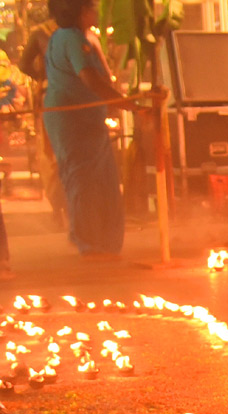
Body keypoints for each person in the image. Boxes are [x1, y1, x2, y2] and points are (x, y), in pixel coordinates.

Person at [43, 0, 131, 258]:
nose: (97, 12)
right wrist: (126, 104)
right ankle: (89, 242)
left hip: (89, 119)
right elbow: (90, 78)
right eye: (93, 7)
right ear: (82, 11)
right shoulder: (70, 39)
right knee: (83, 181)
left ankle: (105, 241)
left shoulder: (76, 37)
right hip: (73, 121)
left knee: (105, 181)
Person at [17, 7, 66, 225]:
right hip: (56, 98)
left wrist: (42, 77)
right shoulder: (72, 30)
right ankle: (60, 205)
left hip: (53, 95)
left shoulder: (66, 31)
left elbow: (24, 65)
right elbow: (24, 65)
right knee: (54, 153)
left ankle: (62, 205)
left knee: (54, 154)